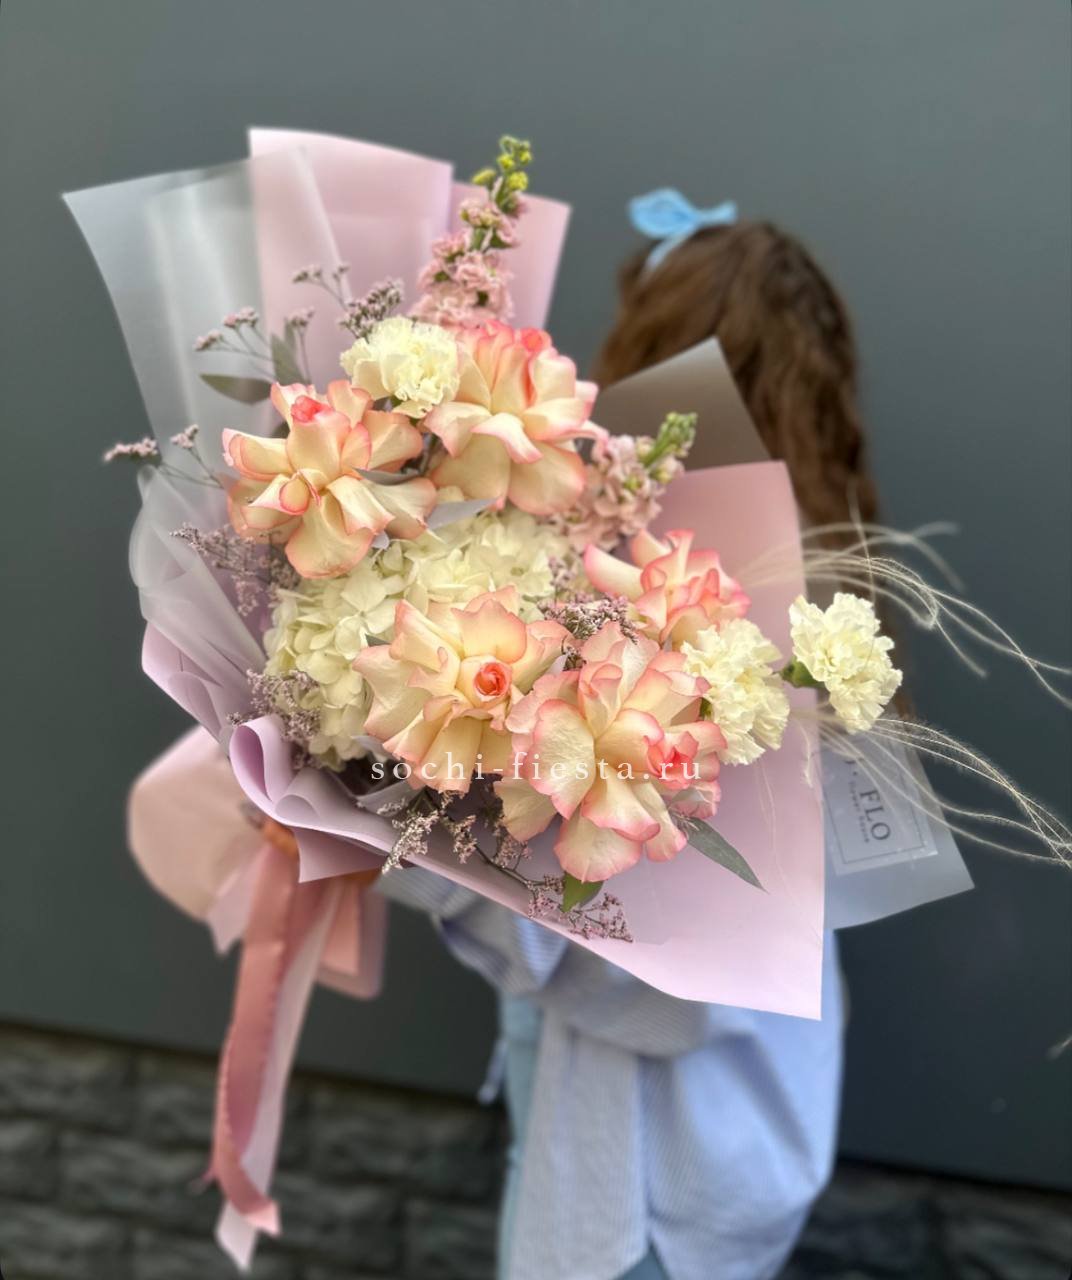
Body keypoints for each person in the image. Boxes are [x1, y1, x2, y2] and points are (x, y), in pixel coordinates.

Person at [377, 199, 882, 1280]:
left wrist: (413, 846)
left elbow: (650, 973)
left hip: (654, 1184)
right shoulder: (824, 611)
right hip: (746, 1138)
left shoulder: (706, 636)